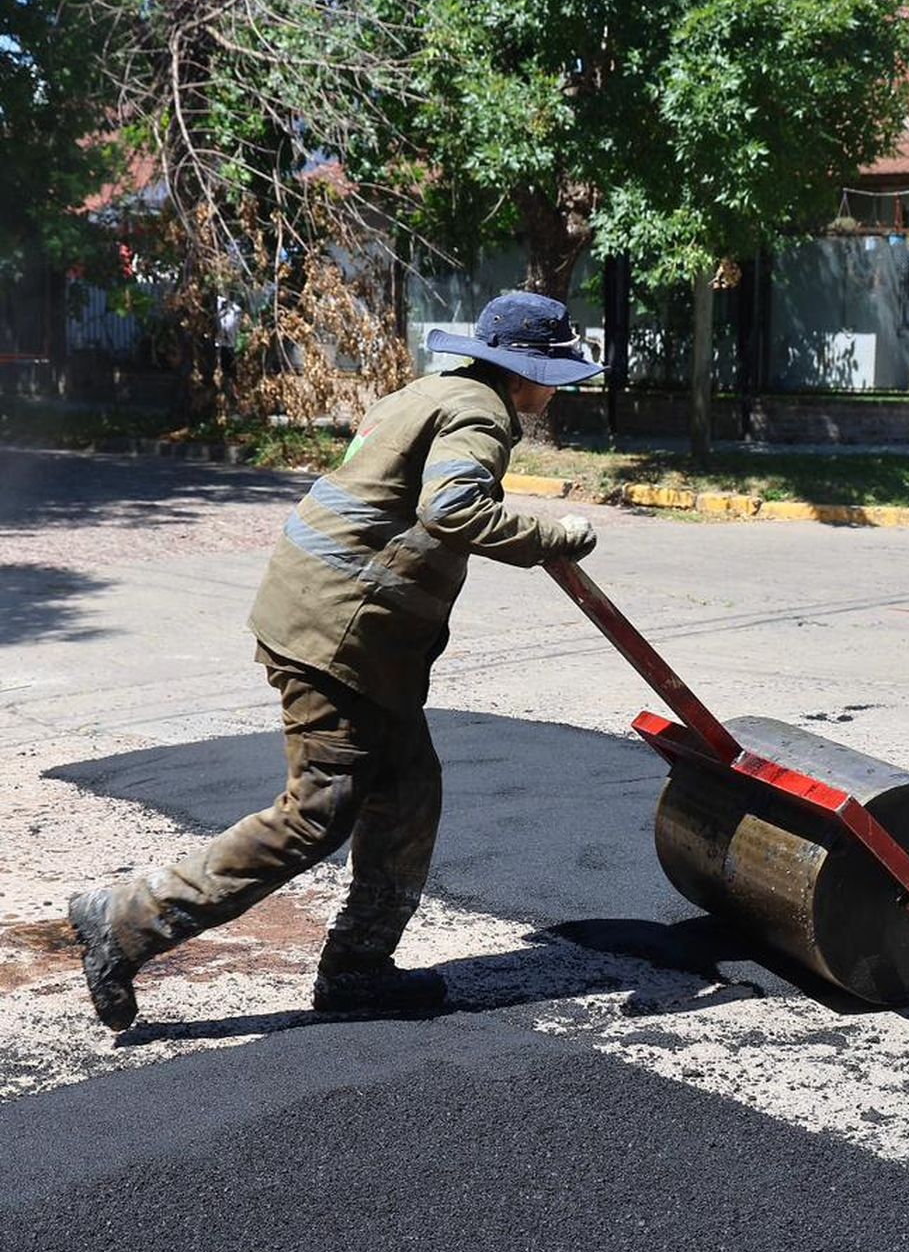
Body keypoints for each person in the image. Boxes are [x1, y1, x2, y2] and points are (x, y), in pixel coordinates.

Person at [69, 291, 604, 1031]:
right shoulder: (479, 415)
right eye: (553, 374)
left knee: (409, 790)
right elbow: (451, 510)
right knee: (316, 813)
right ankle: (126, 917)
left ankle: (358, 967)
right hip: (337, 637)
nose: (555, 390)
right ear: (524, 372)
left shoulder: (427, 392)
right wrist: (552, 533)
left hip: (341, 632)